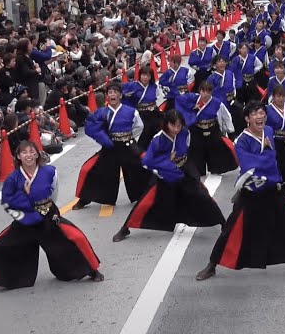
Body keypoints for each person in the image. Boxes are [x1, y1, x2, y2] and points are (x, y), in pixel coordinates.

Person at [195, 102, 285, 281]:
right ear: (247, 118)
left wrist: (265, 157)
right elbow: (248, 166)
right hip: (252, 191)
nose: (259, 116)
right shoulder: (242, 140)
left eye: (262, 113)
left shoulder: (269, 131)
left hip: (273, 189)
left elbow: (272, 159)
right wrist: (266, 155)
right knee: (232, 228)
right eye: (255, 113)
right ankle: (212, 265)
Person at [0, 141, 103, 291]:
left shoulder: (50, 171)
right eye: (24, 152)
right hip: (25, 219)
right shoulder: (13, 178)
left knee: (76, 237)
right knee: (0, 246)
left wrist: (50, 211)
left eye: (32, 152)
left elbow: (53, 193)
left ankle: (92, 270)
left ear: (37, 154)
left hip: (47, 217)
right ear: (18, 156)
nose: (29, 155)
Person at [113, 110, 225, 241]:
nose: (176, 129)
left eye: (179, 125)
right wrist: (165, 162)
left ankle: (223, 223)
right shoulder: (158, 139)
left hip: (183, 169)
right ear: (166, 124)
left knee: (203, 195)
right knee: (145, 202)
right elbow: (147, 162)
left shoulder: (185, 132)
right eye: (173, 125)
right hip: (163, 174)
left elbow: (186, 148)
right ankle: (125, 228)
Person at [74, 82, 149, 209]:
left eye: (115, 92)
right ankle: (85, 199)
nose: (112, 94)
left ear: (120, 95)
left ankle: (146, 196)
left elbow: (139, 126)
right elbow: (93, 128)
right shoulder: (101, 112)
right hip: (110, 147)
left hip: (127, 146)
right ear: (107, 96)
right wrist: (104, 139)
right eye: (110, 92)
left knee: (140, 168)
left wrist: (127, 136)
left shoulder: (131, 111)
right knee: (93, 170)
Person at [175, 81, 239, 177]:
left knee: (216, 149)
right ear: (200, 91)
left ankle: (216, 168)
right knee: (196, 150)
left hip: (212, 129)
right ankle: (198, 170)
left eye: (208, 92)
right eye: (203, 91)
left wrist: (230, 132)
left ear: (211, 92)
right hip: (197, 129)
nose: (205, 94)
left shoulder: (217, 103)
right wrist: (191, 107)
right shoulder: (194, 99)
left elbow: (226, 117)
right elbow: (179, 99)